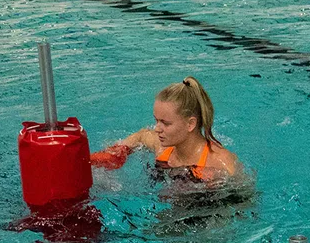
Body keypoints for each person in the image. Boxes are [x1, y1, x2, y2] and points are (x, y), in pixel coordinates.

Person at [90, 77, 242, 182]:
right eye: (156, 121)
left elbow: (245, 200)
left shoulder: (220, 162)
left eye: (165, 123)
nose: (157, 129)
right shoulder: (163, 148)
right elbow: (142, 136)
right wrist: (118, 152)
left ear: (190, 124)